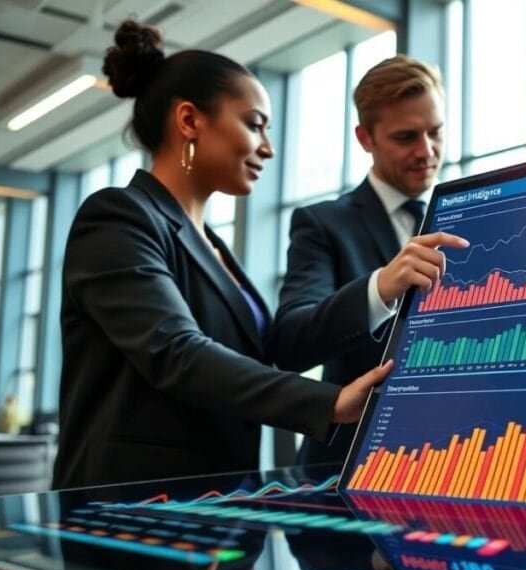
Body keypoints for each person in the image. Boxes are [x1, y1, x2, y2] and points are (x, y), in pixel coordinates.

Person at [52, 19, 393, 490]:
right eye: (254, 125)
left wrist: (382, 288)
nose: (268, 149)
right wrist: (328, 403)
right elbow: (175, 351)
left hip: (216, 503)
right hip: (134, 506)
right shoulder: (118, 216)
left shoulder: (214, 247)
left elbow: (278, 347)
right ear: (190, 120)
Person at [271, 55, 466, 465]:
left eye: (436, 132)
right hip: (349, 466)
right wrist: (380, 287)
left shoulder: (466, 219)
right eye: (406, 137)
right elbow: (291, 340)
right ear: (365, 139)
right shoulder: (323, 224)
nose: (426, 151)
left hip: (452, 457)